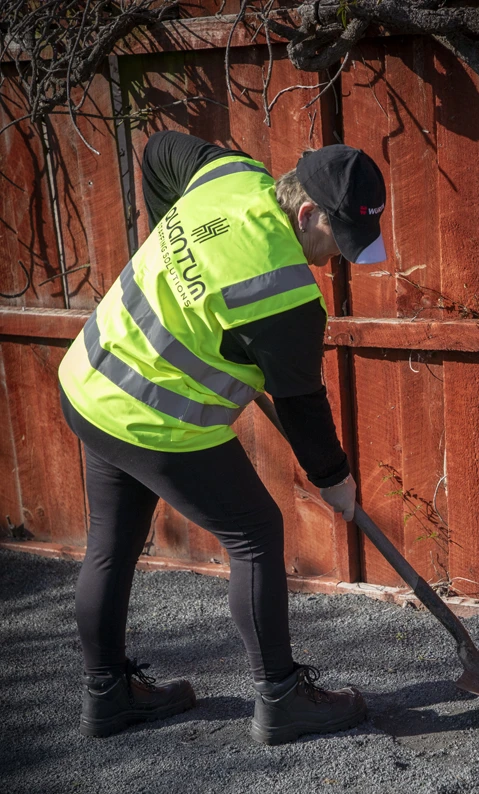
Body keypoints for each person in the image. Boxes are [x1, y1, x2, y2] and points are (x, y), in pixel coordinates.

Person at [58, 130, 387, 745]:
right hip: (151, 419)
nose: (335, 259)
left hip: (90, 378)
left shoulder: (225, 174)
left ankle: (108, 697)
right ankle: (282, 698)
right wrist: (334, 482)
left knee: (112, 539)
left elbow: (157, 152)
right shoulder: (288, 297)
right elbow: (303, 409)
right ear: (307, 213)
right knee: (256, 533)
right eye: (336, 242)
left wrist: (173, 249)